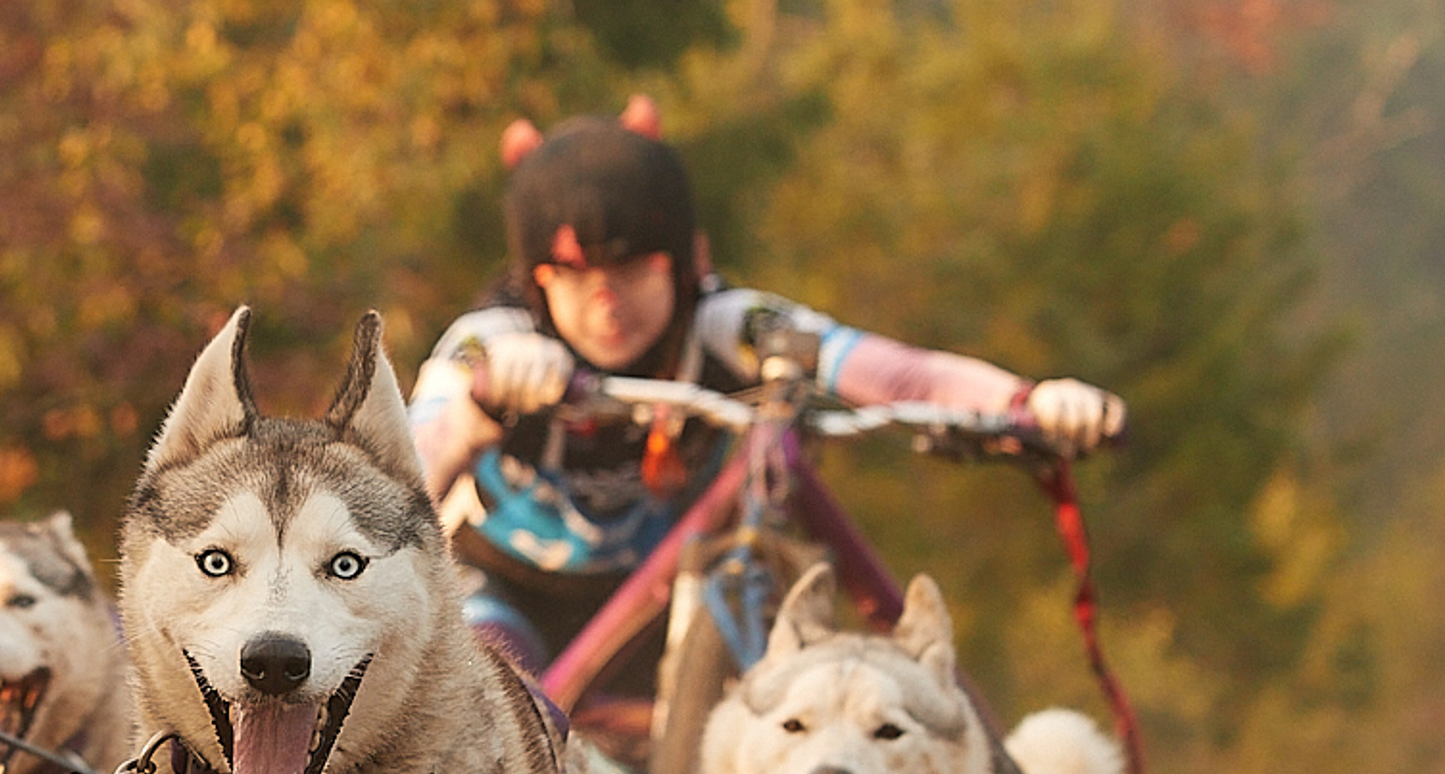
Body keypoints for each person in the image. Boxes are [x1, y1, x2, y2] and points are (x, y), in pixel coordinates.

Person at [408, 98, 1124, 677]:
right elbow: (394, 478)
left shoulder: (732, 325)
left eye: (631, 269)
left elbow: (902, 376)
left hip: (671, 592)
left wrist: (1025, 403)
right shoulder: (489, 343)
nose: (607, 301)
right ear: (537, 280)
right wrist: (479, 407)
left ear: (684, 261)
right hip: (501, 589)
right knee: (492, 695)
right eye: (575, 277)